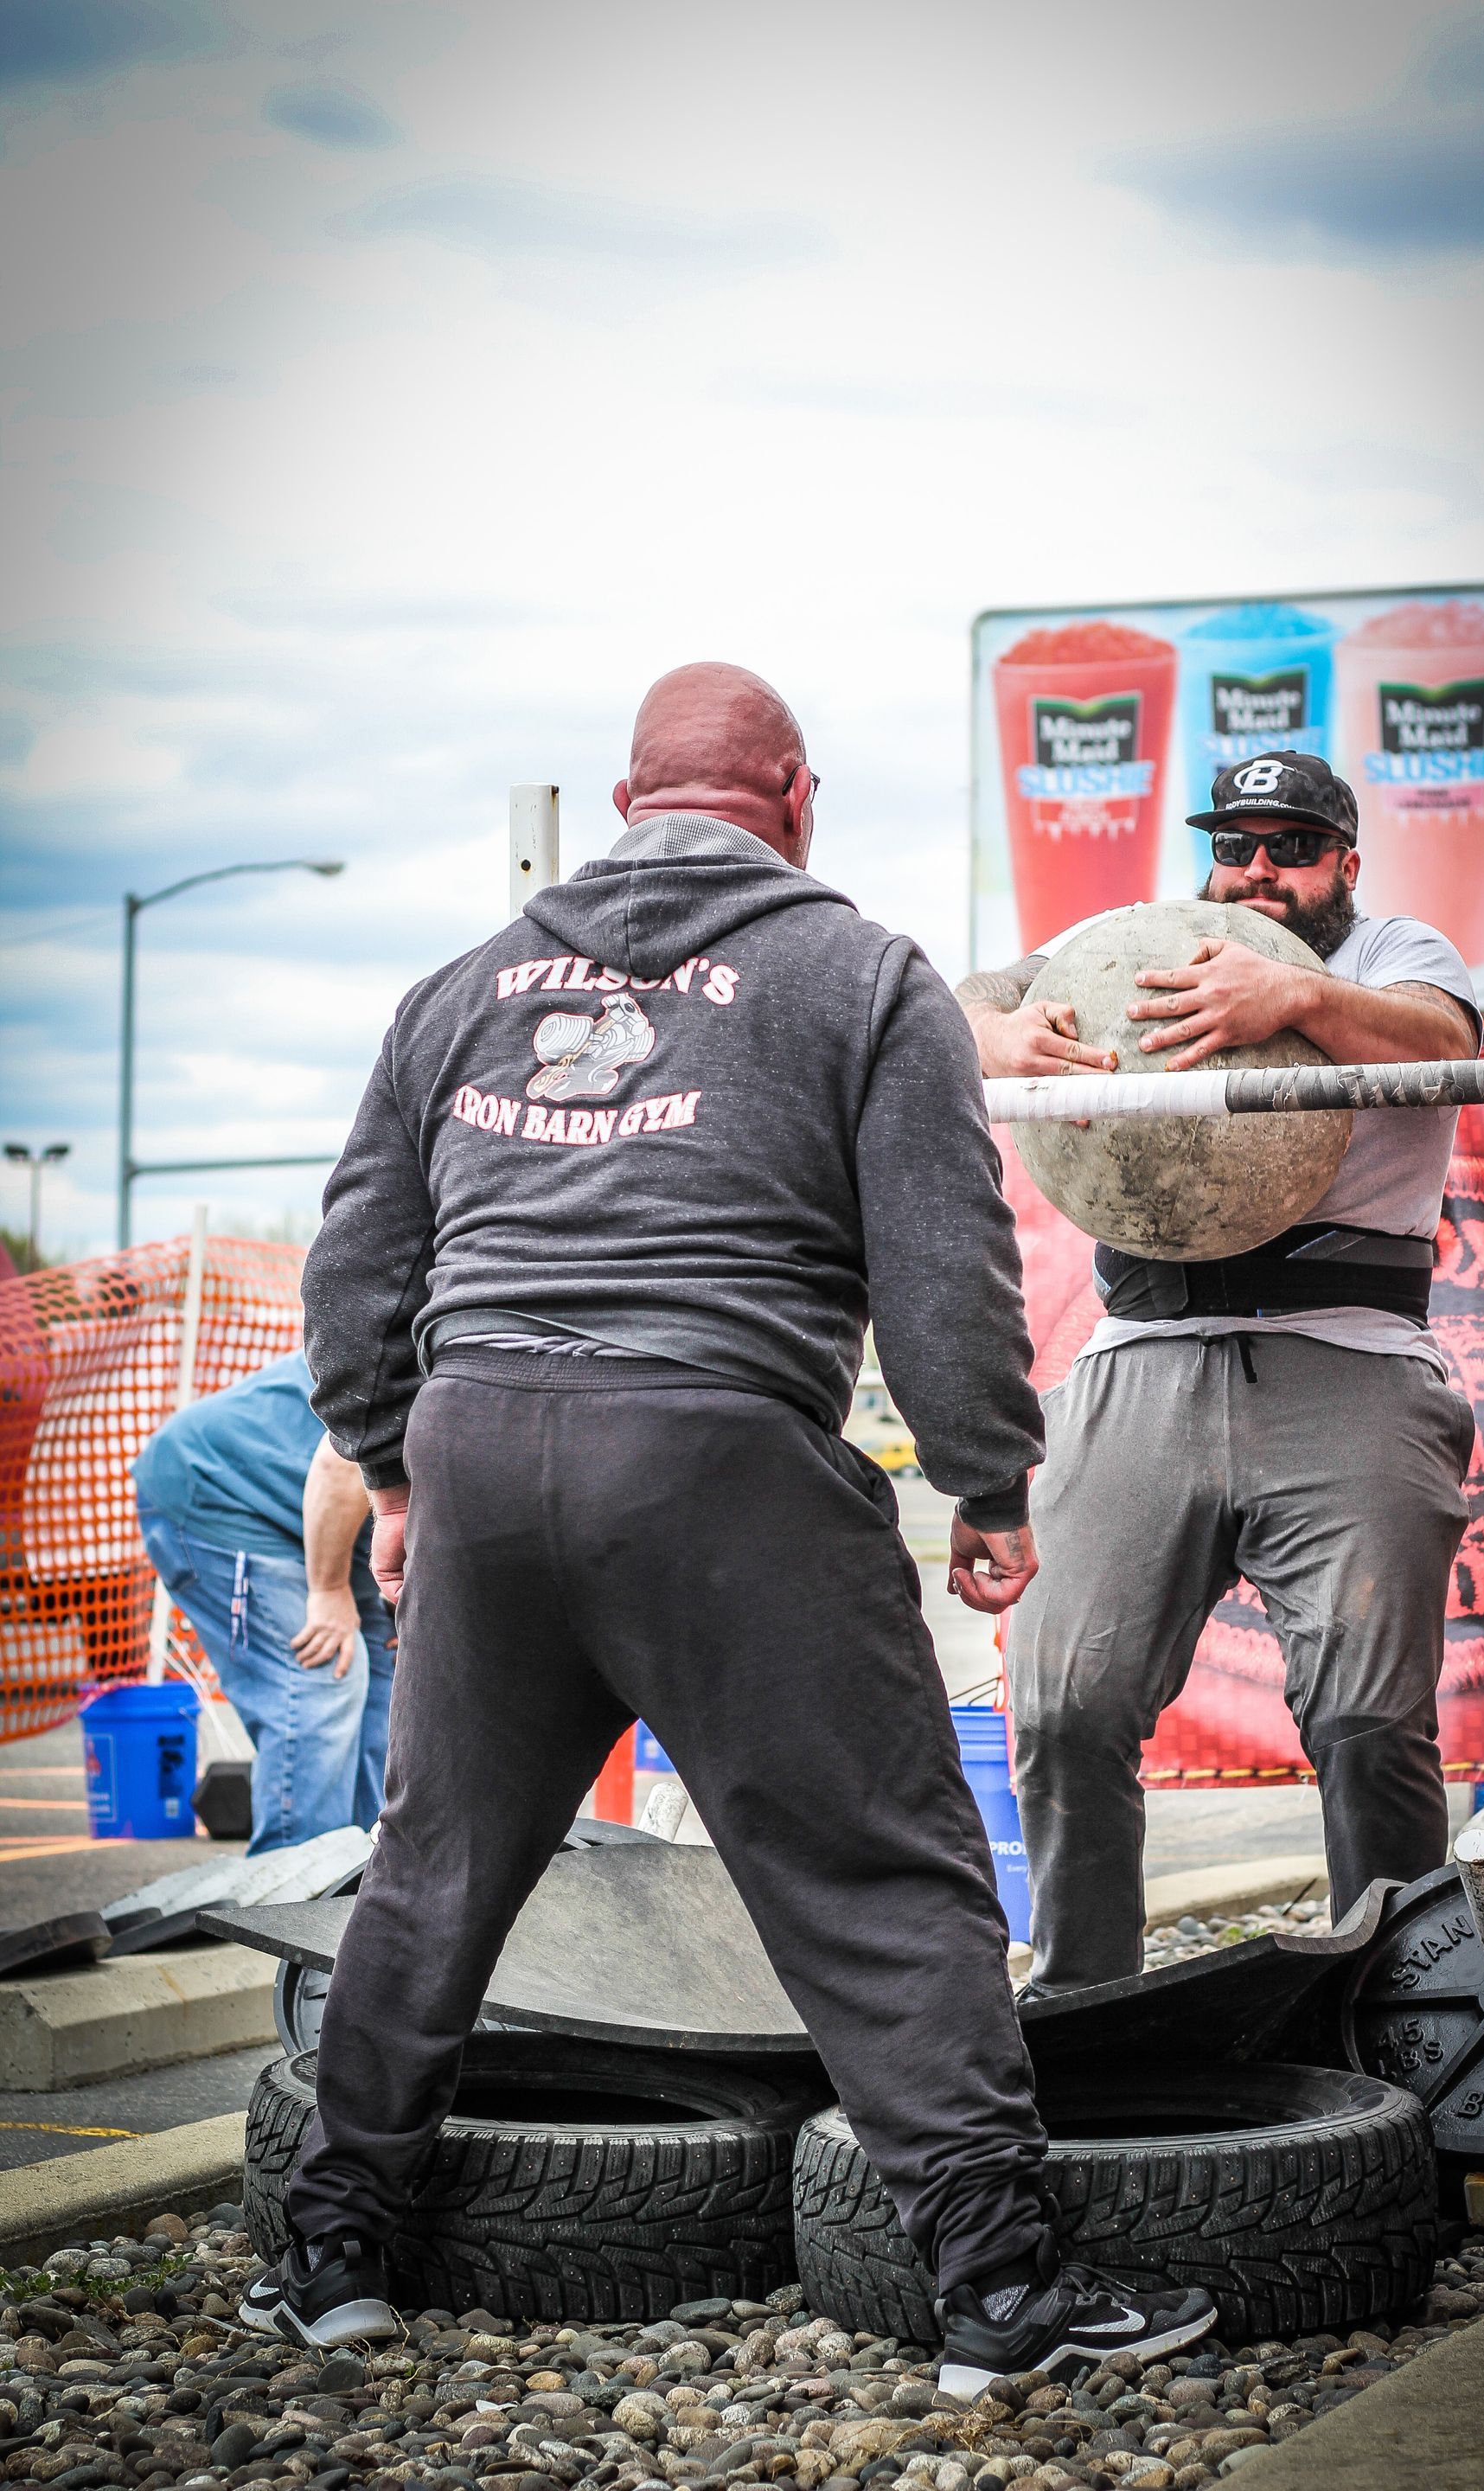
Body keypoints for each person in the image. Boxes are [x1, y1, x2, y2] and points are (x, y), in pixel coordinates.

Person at [240, 661, 1216, 2377]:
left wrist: (395, 1472)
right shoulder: (859, 974)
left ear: (629, 803)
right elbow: (945, 1275)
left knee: (437, 1866)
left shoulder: (457, 988)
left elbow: (356, 1276)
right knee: (879, 1869)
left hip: (483, 1451)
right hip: (718, 1460)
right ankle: (1000, 2293)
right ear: (796, 796)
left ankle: (333, 2255)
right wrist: (988, 1479)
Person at [958, 751, 1480, 1993]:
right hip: (1142, 1359)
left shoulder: (1398, 955)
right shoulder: (1139, 940)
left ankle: (1401, 2009)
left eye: (1291, 847)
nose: (1259, 870)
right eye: (1237, 843)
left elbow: (1447, 1042)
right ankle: (1088, 2006)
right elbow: (955, 1006)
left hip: (1350, 1360)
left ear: (1345, 862)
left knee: (1366, 1725)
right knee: (1066, 1707)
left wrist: (1277, 999)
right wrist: (1005, 1035)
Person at [132, 1350, 394, 1854]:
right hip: (220, 1491)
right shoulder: (450, 1364)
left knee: (390, 1673)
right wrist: (329, 1591)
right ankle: (294, 1891)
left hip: (324, 1506)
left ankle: (368, 1869)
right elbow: (340, 1464)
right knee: (323, 1676)